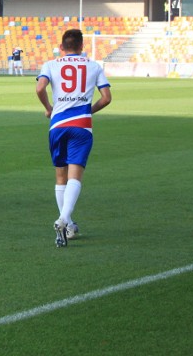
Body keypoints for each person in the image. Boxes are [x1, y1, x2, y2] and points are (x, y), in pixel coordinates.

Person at [35, 28, 112, 247]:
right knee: (75, 177)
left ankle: (67, 226)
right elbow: (106, 98)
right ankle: (63, 220)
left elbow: (40, 87)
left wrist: (49, 107)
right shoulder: (94, 66)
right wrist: (88, 111)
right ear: (82, 47)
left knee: (60, 178)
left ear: (61, 47)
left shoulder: (50, 64)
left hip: (57, 125)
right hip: (81, 126)